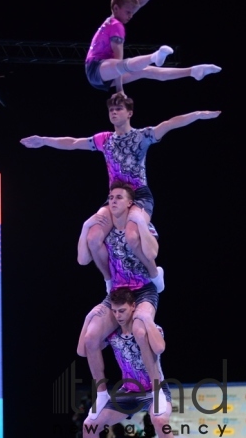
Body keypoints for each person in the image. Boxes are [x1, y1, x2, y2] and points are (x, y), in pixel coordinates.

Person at [20, 94, 221, 293]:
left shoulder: (142, 136)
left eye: (118, 109)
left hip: (139, 196)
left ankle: (154, 273)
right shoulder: (104, 140)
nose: (114, 112)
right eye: (111, 110)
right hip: (115, 197)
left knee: (132, 237)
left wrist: (199, 114)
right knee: (93, 238)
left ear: (130, 113)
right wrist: (44, 140)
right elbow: (73, 143)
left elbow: (169, 124)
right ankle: (109, 280)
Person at [77, 181, 168, 418]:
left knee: (140, 330)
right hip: (117, 292)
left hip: (143, 290)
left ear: (130, 203)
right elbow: (82, 260)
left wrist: (140, 222)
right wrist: (85, 227)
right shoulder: (104, 232)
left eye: (119, 197)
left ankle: (157, 389)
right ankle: (102, 394)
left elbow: (153, 252)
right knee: (91, 336)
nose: (113, 200)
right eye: (110, 197)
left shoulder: (139, 226)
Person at [80, 286, 183, 438]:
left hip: (155, 390)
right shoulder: (112, 335)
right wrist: (87, 320)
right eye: (115, 311)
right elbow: (84, 350)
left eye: (122, 311)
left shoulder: (147, 329)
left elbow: (160, 347)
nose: (118, 316)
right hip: (128, 393)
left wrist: (146, 318)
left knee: (160, 420)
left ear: (133, 307)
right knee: (88, 426)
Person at [85, 0, 221, 93]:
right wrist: (120, 89)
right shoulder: (116, 26)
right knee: (124, 65)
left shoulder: (114, 18)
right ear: (116, 8)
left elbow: (139, 3)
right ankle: (154, 56)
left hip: (105, 75)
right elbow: (118, 59)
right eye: (128, 12)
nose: (131, 15)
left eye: (132, 12)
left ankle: (193, 71)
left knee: (148, 71)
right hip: (96, 69)